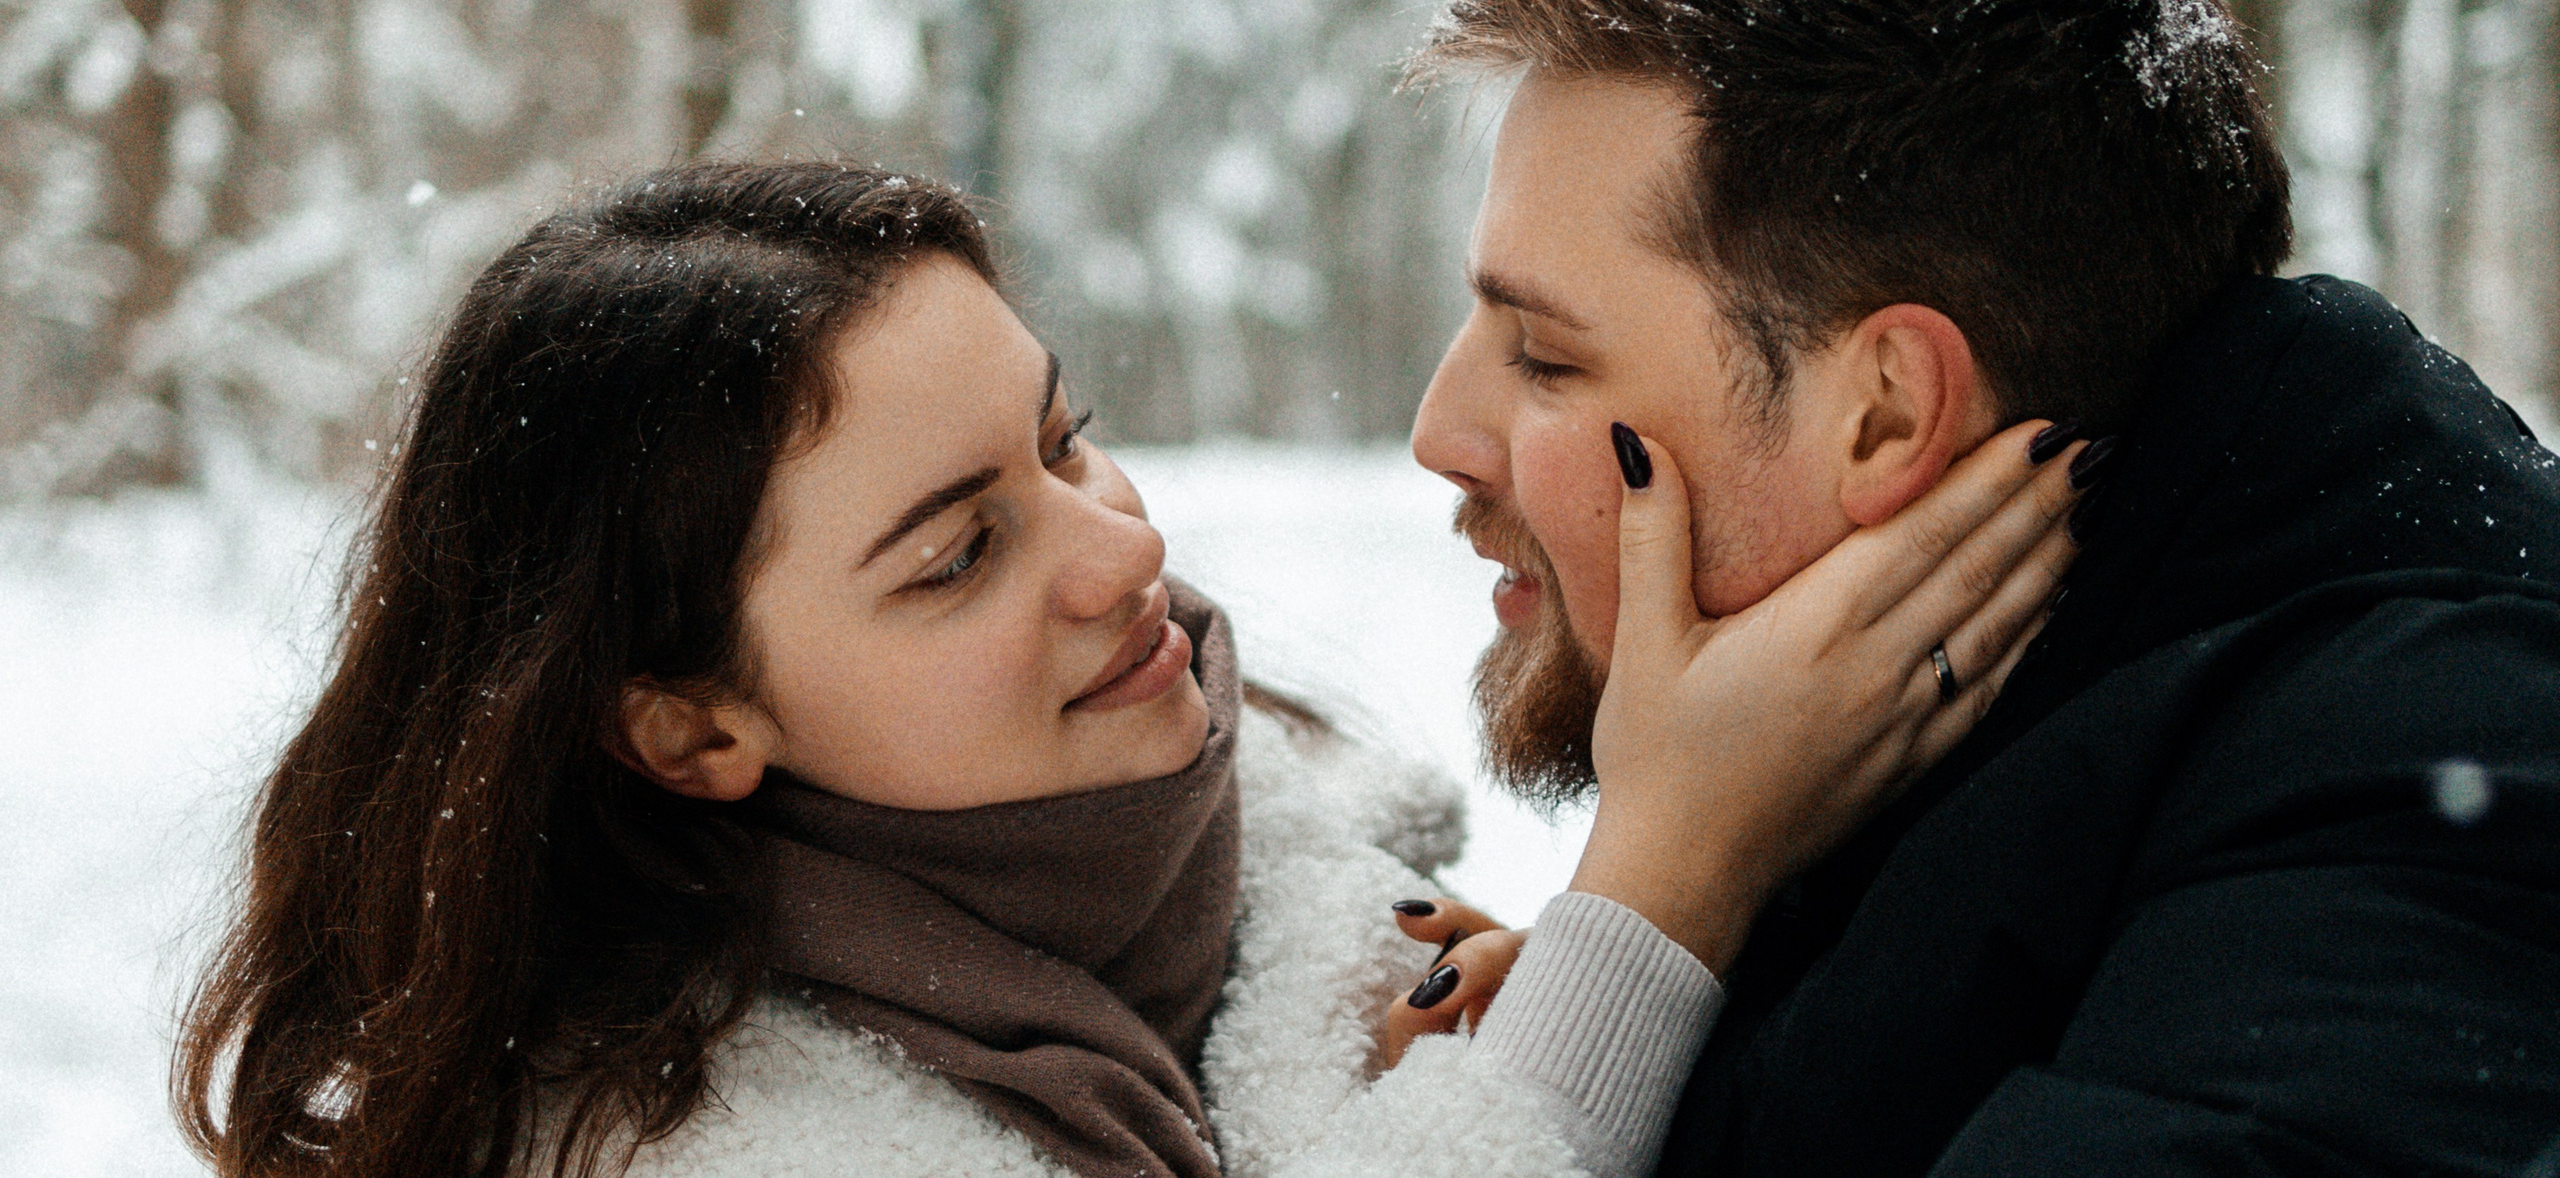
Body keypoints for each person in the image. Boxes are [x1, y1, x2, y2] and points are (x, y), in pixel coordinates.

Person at [174, 160, 2084, 1178]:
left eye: (1066, 441)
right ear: (688, 726)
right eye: (958, 553)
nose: (1126, 547)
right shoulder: (668, 1140)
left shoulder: (1313, 896)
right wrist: (1663, 892)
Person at [1406, 0, 2560, 1177]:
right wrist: (1646, 1014)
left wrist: (1666, 892)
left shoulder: (2420, 820)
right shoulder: (1952, 761)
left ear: (1887, 412)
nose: (1441, 433)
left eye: (1543, 353)